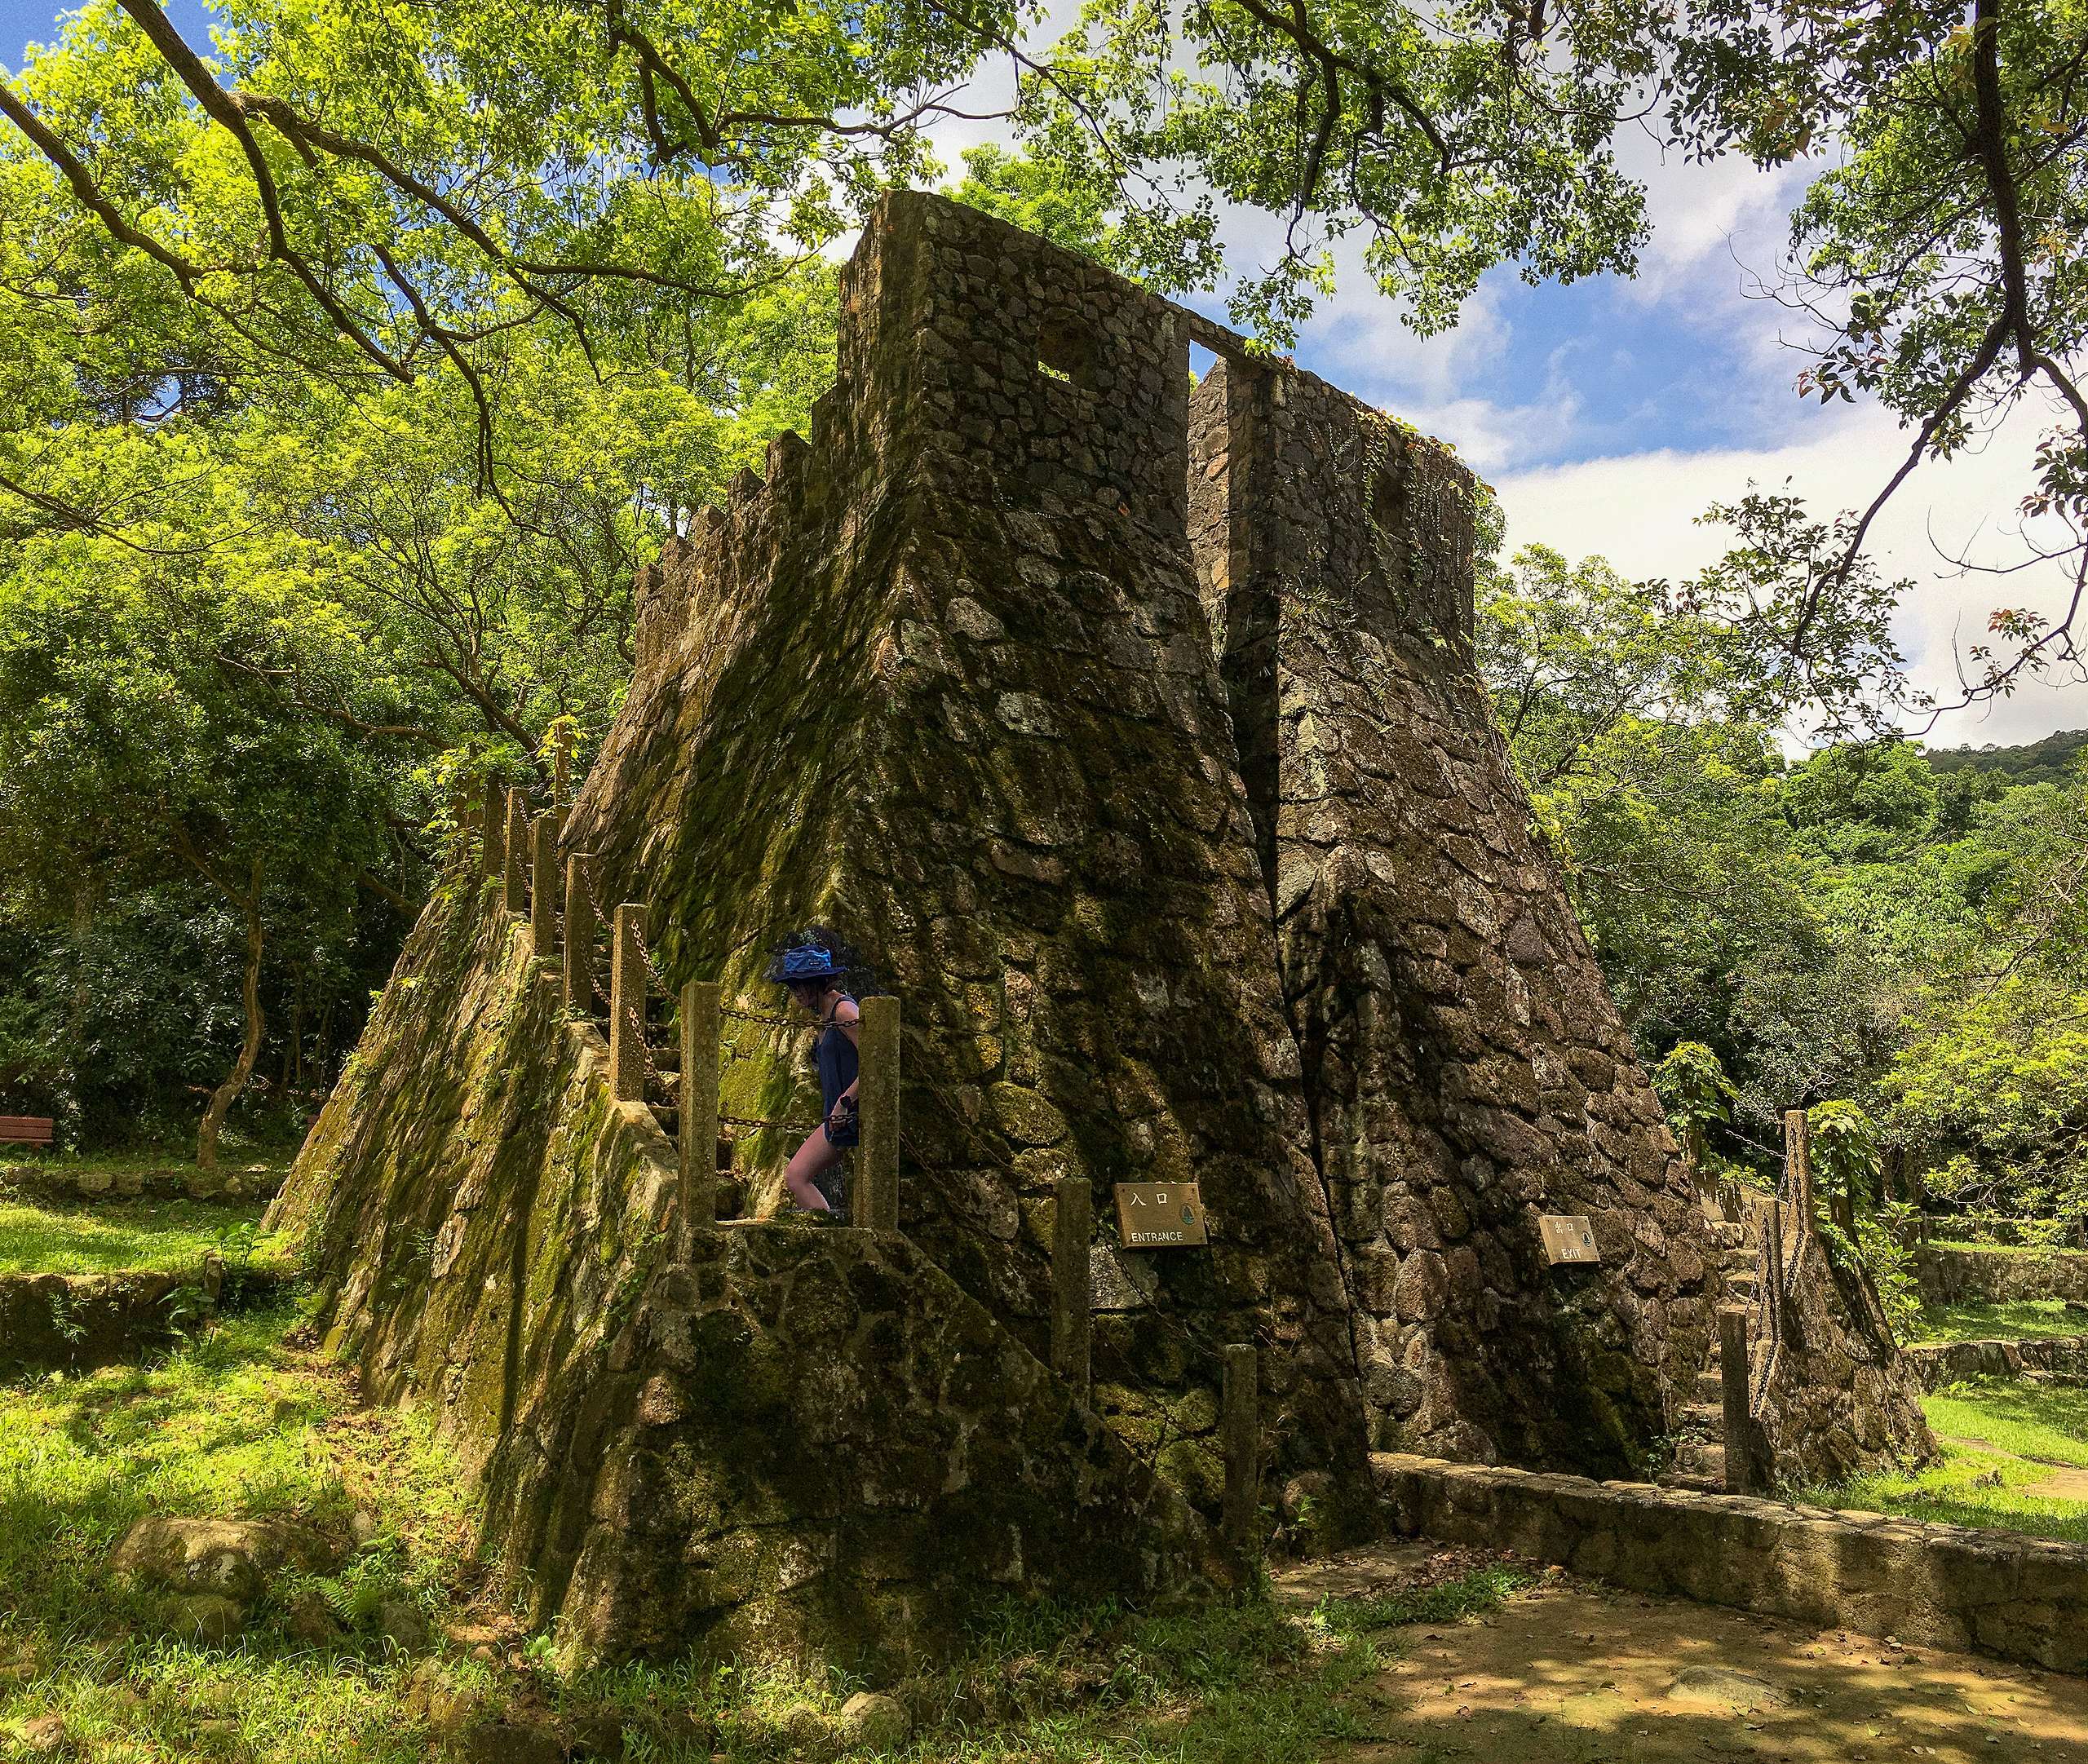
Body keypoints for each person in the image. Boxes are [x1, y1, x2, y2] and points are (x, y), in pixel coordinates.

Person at [770, 941, 859, 1216]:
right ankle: (830, 1235)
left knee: (797, 1176)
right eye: (792, 986)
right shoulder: (823, 1016)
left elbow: (878, 1062)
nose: (796, 992)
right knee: (795, 1176)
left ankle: (831, 1238)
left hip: (852, 1113)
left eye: (801, 985)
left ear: (819, 982)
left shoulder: (844, 1011)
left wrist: (846, 1102)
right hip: (837, 1115)